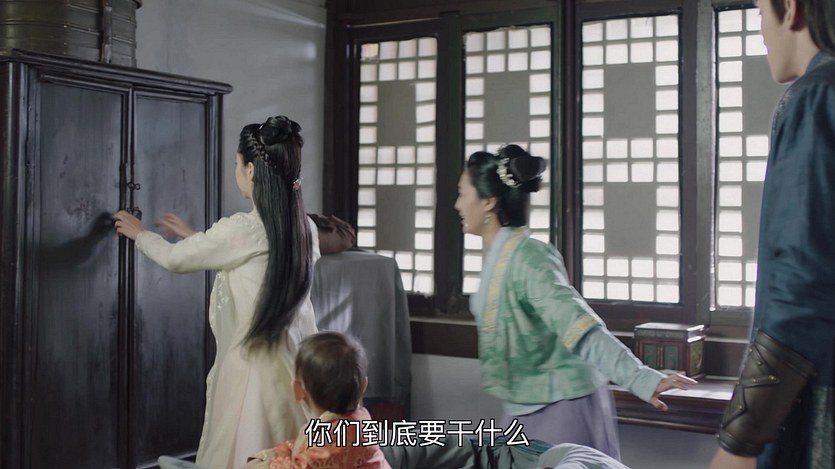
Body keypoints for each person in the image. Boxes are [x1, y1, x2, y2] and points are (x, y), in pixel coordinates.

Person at [455, 144, 694, 460]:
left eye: (462, 194)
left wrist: (641, 378)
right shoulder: (498, 257)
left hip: (563, 404)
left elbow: (581, 329)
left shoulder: (529, 258)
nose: (457, 204)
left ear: (488, 201)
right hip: (521, 408)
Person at [114, 115, 320, 469]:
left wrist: (140, 234)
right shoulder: (305, 228)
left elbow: (176, 259)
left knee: (248, 452)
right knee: (289, 454)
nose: (237, 171)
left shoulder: (243, 228)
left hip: (252, 368)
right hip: (295, 364)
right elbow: (251, 259)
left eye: (237, 165)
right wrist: (194, 236)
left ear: (251, 170)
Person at [708, 0, 835, 468]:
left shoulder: (816, 97)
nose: (762, 28)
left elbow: (802, 280)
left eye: (762, 10)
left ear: (792, 9)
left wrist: (741, 440)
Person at [242, 331, 390, 469]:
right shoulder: (353, 421)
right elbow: (299, 447)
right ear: (364, 386)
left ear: (298, 390)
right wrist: (267, 456)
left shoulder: (342, 436)